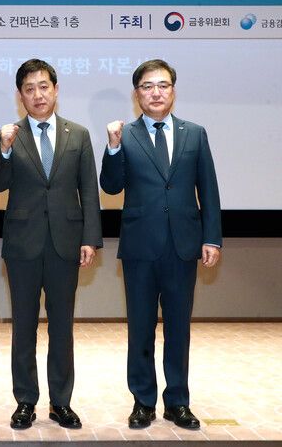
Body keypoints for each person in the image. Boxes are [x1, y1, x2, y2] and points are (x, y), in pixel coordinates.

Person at [100, 59, 221, 431]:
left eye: (163, 85)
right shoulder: (125, 134)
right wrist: (113, 148)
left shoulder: (194, 133)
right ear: (137, 93)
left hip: (183, 246)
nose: (156, 92)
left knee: (178, 329)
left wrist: (211, 237)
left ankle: (178, 402)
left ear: (173, 90)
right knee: (140, 328)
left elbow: (209, 190)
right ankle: (143, 401)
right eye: (148, 86)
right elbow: (111, 187)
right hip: (140, 247)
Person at [0, 59, 103, 430]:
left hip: (65, 243)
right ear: (20, 95)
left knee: (62, 327)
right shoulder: (8, 134)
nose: (38, 94)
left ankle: (60, 402)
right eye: (29, 89)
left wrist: (90, 238)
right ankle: (25, 401)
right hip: (23, 245)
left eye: (44, 86)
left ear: (55, 89)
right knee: (23, 327)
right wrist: (4, 150)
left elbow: (88, 189)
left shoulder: (78, 134)